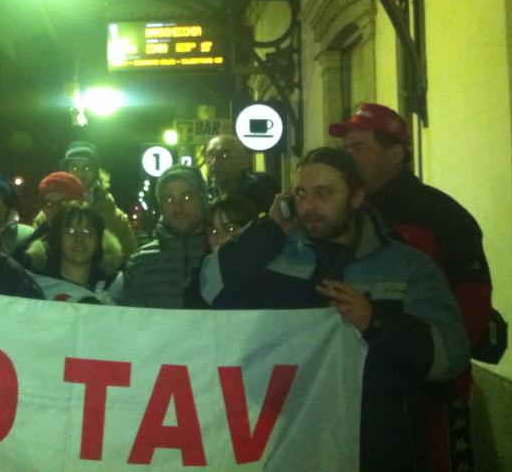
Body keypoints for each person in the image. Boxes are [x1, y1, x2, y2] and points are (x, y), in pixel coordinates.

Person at [200, 147, 470, 472]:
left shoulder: (407, 265)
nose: (309, 206)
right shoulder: (274, 253)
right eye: (301, 193)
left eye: (323, 194)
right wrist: (268, 229)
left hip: (380, 446)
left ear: (356, 198)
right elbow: (211, 288)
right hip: (290, 443)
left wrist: (375, 322)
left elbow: (450, 354)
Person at [329, 102, 493, 471]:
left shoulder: (442, 215)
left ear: (396, 152)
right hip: (367, 390)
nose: (349, 159)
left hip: (431, 391)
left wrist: (437, 374)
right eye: (346, 150)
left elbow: (472, 305)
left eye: (360, 148)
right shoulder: (348, 215)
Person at [118, 164, 209, 308]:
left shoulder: (220, 255)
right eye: (168, 199)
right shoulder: (141, 263)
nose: (178, 208)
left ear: (202, 199)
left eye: (187, 197)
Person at [22, 201, 122, 303]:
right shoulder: (35, 285)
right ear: (58, 239)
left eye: (87, 231)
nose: (79, 239)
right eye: (70, 231)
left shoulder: (115, 287)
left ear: (98, 240)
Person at [60, 141, 137, 259]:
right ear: (67, 172)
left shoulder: (115, 217)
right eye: (74, 167)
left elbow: (131, 258)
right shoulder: (53, 211)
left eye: (87, 167)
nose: (80, 173)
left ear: (96, 172)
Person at [12, 171, 84, 267]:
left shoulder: (100, 251)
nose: (55, 210)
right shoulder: (24, 253)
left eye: (62, 203)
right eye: (48, 204)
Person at [204, 134, 280, 212]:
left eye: (224, 156)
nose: (214, 163)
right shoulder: (206, 197)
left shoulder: (261, 197)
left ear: (244, 161)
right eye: (210, 156)